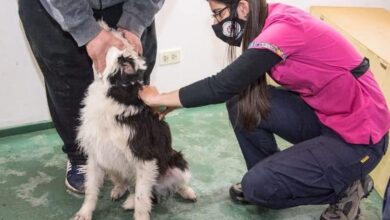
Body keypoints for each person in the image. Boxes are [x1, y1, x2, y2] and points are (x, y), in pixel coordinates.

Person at [139, 0, 390, 219]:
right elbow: (233, 84)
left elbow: (223, 84)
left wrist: (160, 98)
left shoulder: (282, 30)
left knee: (257, 187)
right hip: (328, 117)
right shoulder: (268, 21)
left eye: (218, 14)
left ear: (244, 7)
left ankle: (348, 185)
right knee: (241, 103)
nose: (216, 22)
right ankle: (270, 177)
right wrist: (170, 101)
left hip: (360, 135)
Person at [18, 0, 164, 194]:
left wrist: (135, 21)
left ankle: (134, 153)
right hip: (54, 7)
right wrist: (84, 28)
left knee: (132, 81)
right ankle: (80, 157)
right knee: (67, 81)